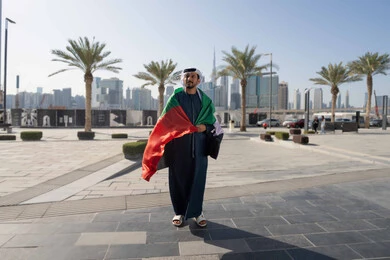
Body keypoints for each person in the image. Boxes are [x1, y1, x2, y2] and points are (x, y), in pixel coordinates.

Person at [141, 67, 222, 228]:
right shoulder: (176, 98)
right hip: (179, 149)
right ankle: (179, 212)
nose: (189, 79)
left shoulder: (205, 101)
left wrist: (204, 128)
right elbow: (165, 121)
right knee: (177, 180)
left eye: (193, 76)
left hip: (199, 149)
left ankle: (197, 213)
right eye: (187, 76)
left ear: (199, 80)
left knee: (198, 181)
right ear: (182, 79)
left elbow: (214, 124)